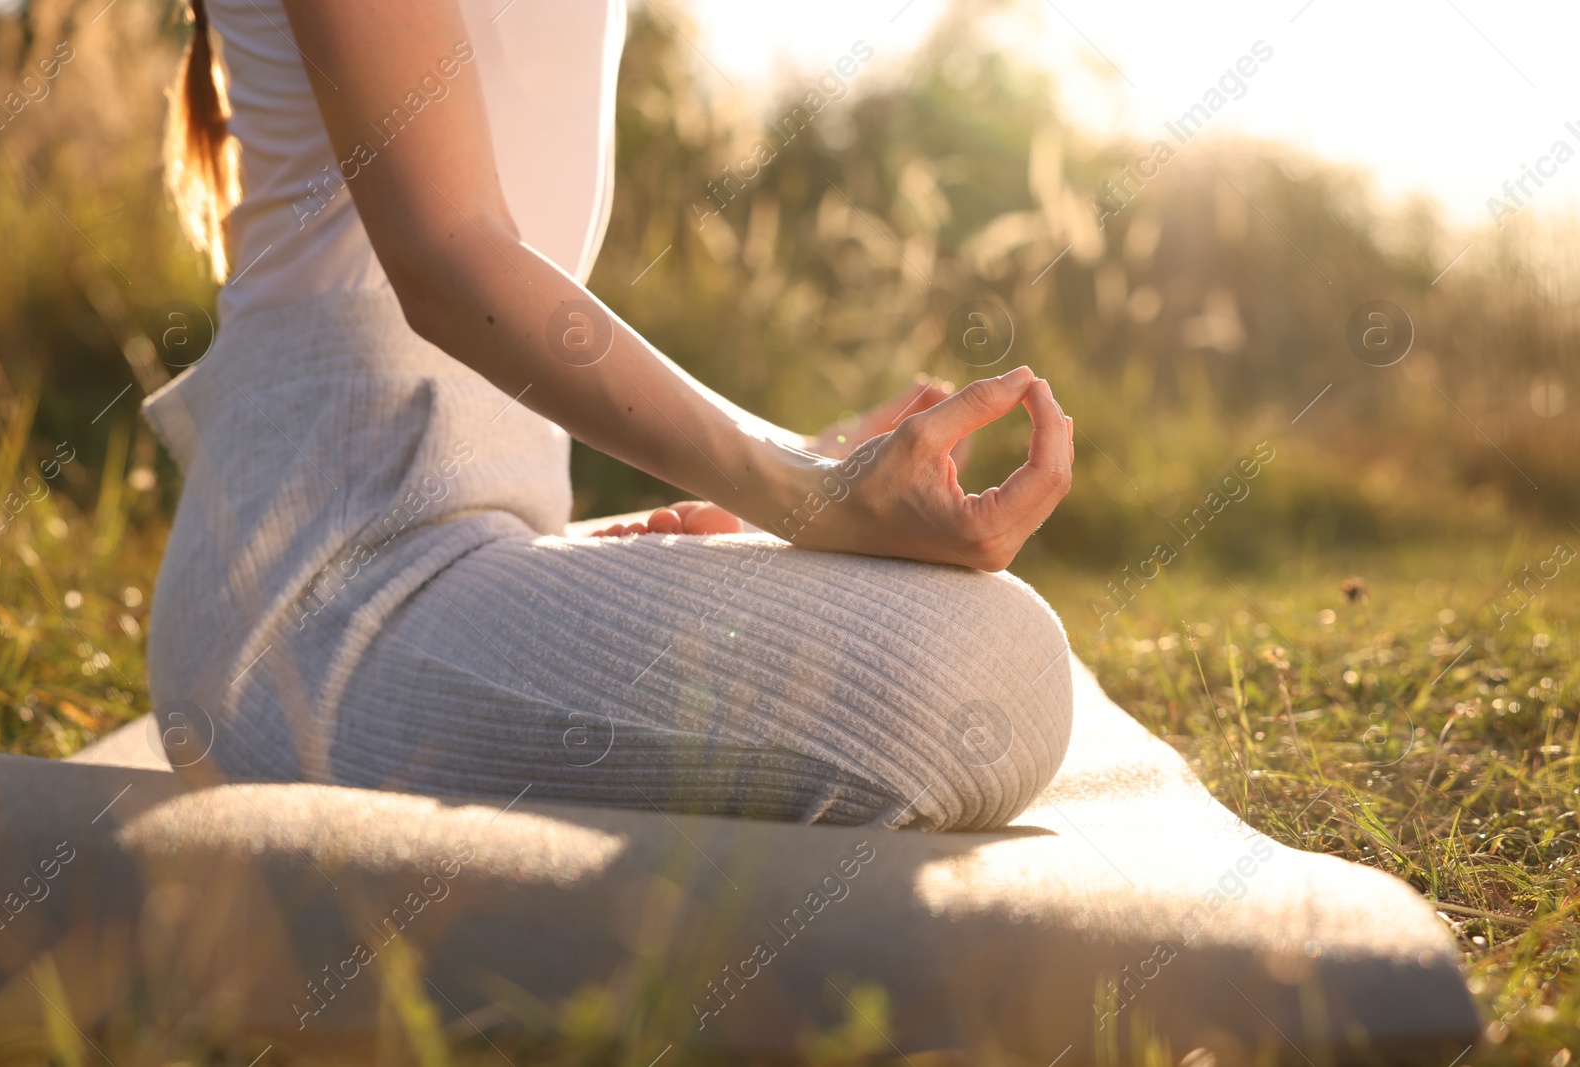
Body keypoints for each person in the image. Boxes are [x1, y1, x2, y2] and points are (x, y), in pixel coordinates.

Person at [143, 0, 1077, 831]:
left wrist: (802, 465)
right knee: (988, 673)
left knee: (960, 632)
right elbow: (445, 254)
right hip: (311, 602)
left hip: (477, 541)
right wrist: (802, 491)